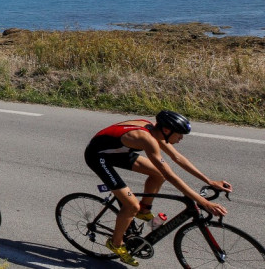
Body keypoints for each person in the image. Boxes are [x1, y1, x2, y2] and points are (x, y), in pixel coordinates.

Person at [84, 110, 231, 266]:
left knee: (157, 175)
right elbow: (171, 175)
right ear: (167, 130)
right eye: (180, 134)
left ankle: (144, 210)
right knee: (131, 205)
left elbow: (178, 158)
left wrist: (209, 181)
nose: (181, 138)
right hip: (98, 156)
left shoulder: (156, 130)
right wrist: (205, 202)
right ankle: (116, 243)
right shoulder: (147, 139)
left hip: (117, 151)